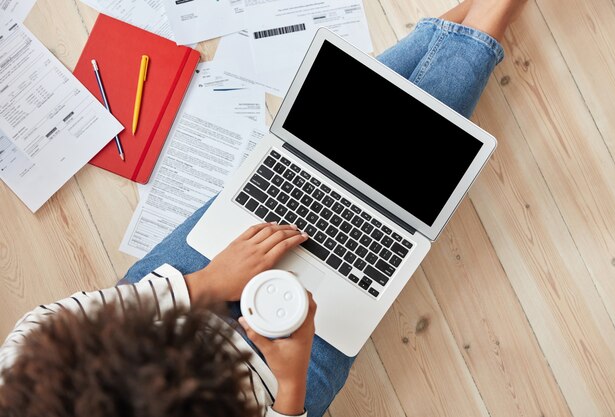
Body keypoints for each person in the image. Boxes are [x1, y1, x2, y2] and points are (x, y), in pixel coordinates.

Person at [0, 1, 526, 416]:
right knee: (395, 185)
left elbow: (47, 323)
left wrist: (206, 283)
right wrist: (291, 385)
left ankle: (475, 26)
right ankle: (470, 24)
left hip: (181, 285)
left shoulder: (27, 378)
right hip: (274, 377)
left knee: (306, 154)